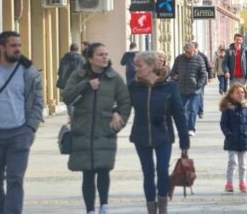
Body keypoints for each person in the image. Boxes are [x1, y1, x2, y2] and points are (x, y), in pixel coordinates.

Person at [0, 31, 44, 214]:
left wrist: (30, 127)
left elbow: (38, 101)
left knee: (15, 179)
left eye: (19, 45)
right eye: (13, 46)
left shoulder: (29, 72)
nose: (18, 49)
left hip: (20, 133)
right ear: (2, 47)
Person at [62, 42, 131, 214]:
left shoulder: (114, 78)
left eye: (106, 54)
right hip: (83, 130)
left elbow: (125, 102)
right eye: (100, 54)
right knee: (87, 172)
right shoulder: (78, 76)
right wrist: (85, 85)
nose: (105, 57)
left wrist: (119, 120)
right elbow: (67, 97)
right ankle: (90, 209)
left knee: (103, 169)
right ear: (90, 58)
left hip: (105, 130)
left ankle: (105, 205)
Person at [129, 51, 189, 214]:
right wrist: (114, 117)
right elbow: (123, 107)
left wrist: (184, 142)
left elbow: (179, 114)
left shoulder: (169, 86)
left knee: (162, 171)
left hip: (163, 135)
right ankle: (151, 208)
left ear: (151, 66)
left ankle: (163, 206)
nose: (136, 69)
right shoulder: (134, 86)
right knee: (148, 173)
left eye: (140, 65)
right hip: (141, 136)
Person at [219, 83, 247, 193]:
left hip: (244, 139)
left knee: (243, 164)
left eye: (242, 92)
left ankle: (242, 182)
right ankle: (229, 183)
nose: (240, 94)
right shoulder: (228, 109)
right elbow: (223, 124)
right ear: (231, 95)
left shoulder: (246, 108)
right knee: (232, 161)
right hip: (232, 140)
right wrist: (229, 134)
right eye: (238, 92)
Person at [171, 43, 207, 137]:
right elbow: (173, 72)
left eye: (189, 52)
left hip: (195, 90)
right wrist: (175, 78)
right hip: (181, 88)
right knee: (182, 110)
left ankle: (191, 129)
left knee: (192, 109)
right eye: (186, 52)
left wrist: (199, 85)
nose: (188, 54)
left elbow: (203, 74)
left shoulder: (199, 59)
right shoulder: (179, 59)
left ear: (193, 51)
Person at [193, 42, 213, 119]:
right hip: (192, 79)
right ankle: (194, 110)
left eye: (194, 49)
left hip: (201, 79)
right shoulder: (189, 55)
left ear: (197, 48)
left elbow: (209, 66)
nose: (193, 51)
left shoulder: (202, 56)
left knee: (200, 96)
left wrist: (210, 76)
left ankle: (200, 112)